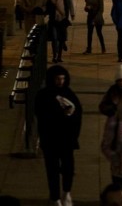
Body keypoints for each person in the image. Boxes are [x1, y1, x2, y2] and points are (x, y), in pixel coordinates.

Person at [35, 65, 82, 206]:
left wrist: (70, 117)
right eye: (57, 79)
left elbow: (78, 114)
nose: (60, 82)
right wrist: (61, 114)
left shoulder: (69, 94)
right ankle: (54, 197)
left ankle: (66, 192)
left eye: (63, 79)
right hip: (50, 139)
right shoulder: (43, 95)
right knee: (52, 170)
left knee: (68, 168)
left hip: (66, 139)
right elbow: (41, 115)